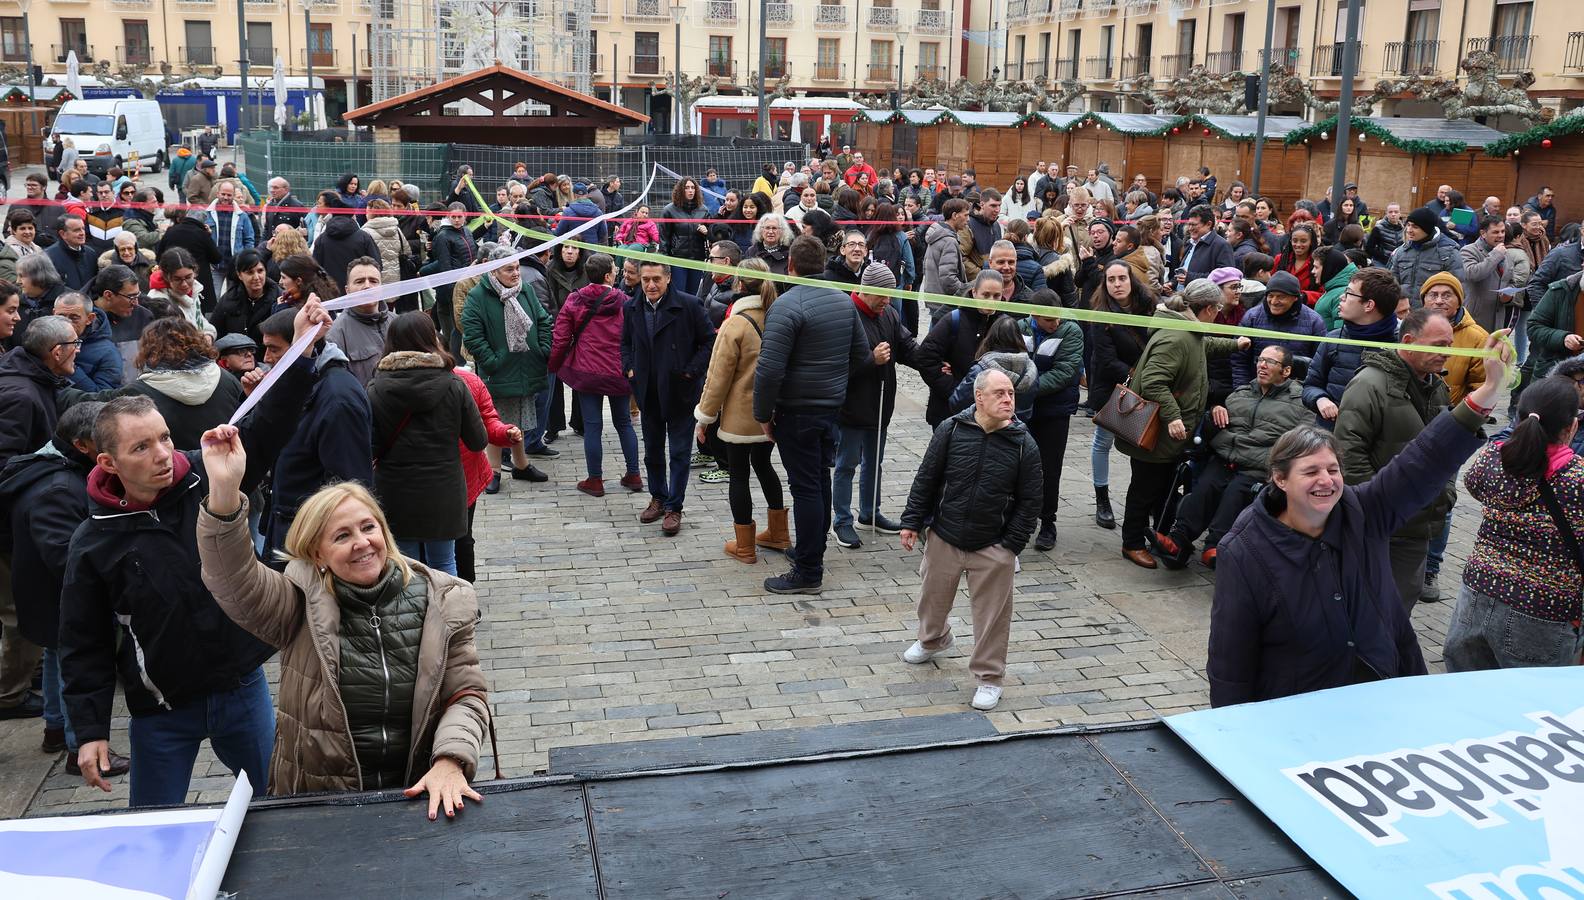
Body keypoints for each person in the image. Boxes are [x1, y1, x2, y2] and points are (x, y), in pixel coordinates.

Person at [61, 301, 327, 805]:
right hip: (161, 710)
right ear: (107, 462)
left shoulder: (202, 475)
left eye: (163, 438)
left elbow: (269, 427)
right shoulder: (93, 542)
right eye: (141, 448)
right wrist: (91, 729)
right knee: (153, 829)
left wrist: (301, 347)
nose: (163, 455)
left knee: (283, 804)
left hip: (240, 686)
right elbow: (84, 641)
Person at [1207, 333, 1512, 706]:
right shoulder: (1244, 551)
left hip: (1386, 695)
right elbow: (1230, 656)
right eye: (1310, 471)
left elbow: (1422, 461)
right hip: (1299, 714)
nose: (1326, 480)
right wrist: (1230, 732)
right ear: (1280, 478)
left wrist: (1491, 386)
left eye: (1333, 469)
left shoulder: (1362, 511)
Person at [195, 444, 491, 812]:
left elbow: (465, 697)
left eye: (369, 527)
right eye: (342, 536)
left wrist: (450, 761)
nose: (362, 543)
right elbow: (233, 577)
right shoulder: (296, 603)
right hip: (321, 801)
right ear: (317, 553)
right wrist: (224, 494)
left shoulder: (443, 600)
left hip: (417, 794)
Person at [898, 369, 1042, 712]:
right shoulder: (951, 430)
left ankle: (989, 679)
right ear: (979, 398)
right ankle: (933, 640)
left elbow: (1031, 501)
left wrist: (1010, 546)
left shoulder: (1024, 444)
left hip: (993, 545)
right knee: (931, 599)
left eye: (1011, 393)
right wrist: (912, 523)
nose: (1009, 400)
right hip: (945, 536)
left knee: (992, 618)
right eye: (1000, 394)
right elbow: (927, 478)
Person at [0, 402, 131, 773]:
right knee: (73, 660)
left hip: (47, 595)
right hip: (56, 596)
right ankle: (78, 749)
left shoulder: (61, 470)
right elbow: (65, 557)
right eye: (108, 437)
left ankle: (56, 729)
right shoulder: (57, 488)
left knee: (59, 658)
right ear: (83, 444)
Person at [752, 234, 869, 593]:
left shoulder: (787, 306)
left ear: (790, 265)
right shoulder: (844, 302)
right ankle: (810, 549)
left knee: (805, 488)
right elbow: (861, 354)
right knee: (817, 481)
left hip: (797, 412)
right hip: (829, 408)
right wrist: (834, 382)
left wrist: (762, 413)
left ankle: (808, 571)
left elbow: (769, 370)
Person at [1443, 375, 1584, 670]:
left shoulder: (1492, 458)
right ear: (1571, 426)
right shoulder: (1577, 478)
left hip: (1477, 593)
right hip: (1543, 610)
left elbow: (1473, 484)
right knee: (1531, 707)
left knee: (1464, 698)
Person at [1335, 308, 1464, 610]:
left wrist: (1445, 494)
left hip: (1418, 525)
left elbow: (1443, 451)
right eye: (1439, 346)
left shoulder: (1437, 388)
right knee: (1373, 609)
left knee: (1399, 605)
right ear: (1408, 341)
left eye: (1450, 344)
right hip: (1383, 526)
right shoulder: (1369, 385)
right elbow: (1348, 455)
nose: (1448, 353)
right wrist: (1381, 506)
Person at [1118, 280, 1245, 569]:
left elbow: (1203, 345)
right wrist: (1174, 416)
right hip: (1157, 430)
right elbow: (1153, 382)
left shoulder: (1189, 330)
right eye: (1219, 310)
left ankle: (1155, 535)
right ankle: (1132, 543)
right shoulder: (1177, 337)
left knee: (1161, 487)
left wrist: (1235, 344)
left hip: (1167, 434)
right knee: (1145, 488)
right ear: (1210, 309)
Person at [1156, 344, 1308, 569]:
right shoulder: (1242, 393)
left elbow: (1304, 441)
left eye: (1270, 362)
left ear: (1285, 371)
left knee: (1236, 492)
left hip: (1260, 464)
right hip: (1226, 457)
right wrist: (1214, 412)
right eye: (1260, 360)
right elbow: (1214, 427)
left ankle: (1216, 545)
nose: (1262, 365)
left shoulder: (1300, 402)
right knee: (1205, 487)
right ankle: (1179, 541)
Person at [368, 311, 487, 575]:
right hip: (444, 489)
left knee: (406, 565)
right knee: (444, 562)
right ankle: (451, 614)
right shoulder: (454, 385)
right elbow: (478, 440)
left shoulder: (376, 389)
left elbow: (372, 447)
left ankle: (418, 615)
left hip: (396, 491)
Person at [256, 308, 373, 558]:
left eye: (274, 349)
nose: (265, 358)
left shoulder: (337, 399)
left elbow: (350, 484)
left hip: (312, 541)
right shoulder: (304, 385)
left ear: (303, 345)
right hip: (291, 526)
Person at [693, 258, 787, 563]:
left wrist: (704, 418)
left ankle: (745, 545)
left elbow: (717, 377)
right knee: (765, 467)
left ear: (738, 283)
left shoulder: (736, 322)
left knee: (739, 474)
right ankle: (778, 533)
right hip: (770, 413)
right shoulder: (778, 316)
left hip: (739, 416)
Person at [830, 263, 921, 550]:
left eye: (890, 294)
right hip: (851, 406)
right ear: (866, 290)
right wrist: (871, 359)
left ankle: (870, 513)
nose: (887, 300)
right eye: (882, 295)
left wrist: (934, 362)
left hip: (881, 403)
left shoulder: (889, 314)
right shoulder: (845, 314)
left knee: (875, 462)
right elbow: (836, 365)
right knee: (846, 464)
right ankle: (842, 520)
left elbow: (908, 348)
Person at [623, 259, 713, 536]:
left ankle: (675, 506)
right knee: (652, 452)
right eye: (646, 279)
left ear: (668, 278)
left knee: (679, 452)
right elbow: (625, 342)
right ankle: (658, 497)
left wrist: (690, 372)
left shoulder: (688, 305)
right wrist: (629, 368)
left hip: (679, 390)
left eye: (656, 279)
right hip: (647, 390)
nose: (650, 285)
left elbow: (709, 341)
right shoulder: (632, 306)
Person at [550, 253, 642, 497]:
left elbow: (560, 338)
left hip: (586, 370)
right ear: (609, 275)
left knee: (593, 427)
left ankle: (595, 479)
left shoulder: (575, 299)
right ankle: (634, 474)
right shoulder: (624, 300)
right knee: (624, 423)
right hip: (618, 371)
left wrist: (555, 365)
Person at [461, 246, 552, 489]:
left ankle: (520, 465)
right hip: (499, 370)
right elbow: (471, 334)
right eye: (508, 269)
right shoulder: (478, 296)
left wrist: (543, 348)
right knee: (496, 419)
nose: (515, 273)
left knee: (519, 417)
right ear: (494, 270)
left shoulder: (526, 290)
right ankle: (493, 470)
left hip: (526, 365)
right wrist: (492, 360)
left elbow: (543, 320)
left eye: (516, 267)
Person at [1014, 289, 1083, 551]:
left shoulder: (1071, 331)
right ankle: (1019, 518)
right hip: (1022, 410)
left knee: (1049, 468)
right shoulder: (1020, 327)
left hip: (1054, 410)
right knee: (1018, 466)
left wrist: (1025, 387)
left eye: (1057, 318)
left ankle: (1048, 522)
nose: (1055, 324)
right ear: (1034, 315)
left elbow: (1065, 371)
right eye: (1048, 320)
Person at [1088, 261, 1155, 529]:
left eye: (1121, 278)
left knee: (1144, 443)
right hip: (1114, 387)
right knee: (1102, 442)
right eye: (1111, 279)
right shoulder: (1101, 314)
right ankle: (1102, 499)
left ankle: (1145, 499)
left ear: (1131, 280)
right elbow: (1105, 360)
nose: (1117, 284)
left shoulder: (1149, 306)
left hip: (1149, 383)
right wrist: (1138, 376)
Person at [1303, 266, 1400, 427]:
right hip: (1331, 433)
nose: (1342, 297)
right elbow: (1311, 385)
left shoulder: (1400, 346)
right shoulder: (1334, 339)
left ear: (1369, 305)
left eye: (1348, 293)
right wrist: (1320, 399)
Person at [1231, 270, 1326, 385]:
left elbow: (1319, 364)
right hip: (1256, 390)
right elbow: (1239, 360)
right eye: (1270, 296)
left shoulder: (1314, 321)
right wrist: (1242, 390)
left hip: (1296, 393)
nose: (1274, 301)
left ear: (1295, 297)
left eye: (1281, 297)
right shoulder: (1252, 317)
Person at [323, 257, 391, 388]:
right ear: (347, 290)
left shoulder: (397, 322)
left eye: (373, 281)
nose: (367, 286)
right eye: (359, 281)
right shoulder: (336, 334)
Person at [1390, 206, 1466, 301]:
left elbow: (1457, 289)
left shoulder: (1448, 253)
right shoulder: (1402, 251)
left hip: (1433, 313)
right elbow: (1392, 284)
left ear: (1427, 229)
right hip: (1405, 311)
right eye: (1408, 225)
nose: (1409, 230)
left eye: (1415, 227)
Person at [51, 291, 121, 391]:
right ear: (53, 314)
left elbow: (103, 397)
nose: (66, 323)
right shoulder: (43, 338)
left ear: (90, 318)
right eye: (60, 317)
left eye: (74, 318)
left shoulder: (108, 353)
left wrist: (72, 370)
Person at [211, 249, 281, 346]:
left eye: (260, 271)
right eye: (250, 272)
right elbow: (215, 333)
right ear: (239, 275)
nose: (256, 277)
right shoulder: (228, 300)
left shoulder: (279, 299)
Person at [312, 196, 382, 293]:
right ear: (352, 216)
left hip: (331, 294)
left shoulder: (321, 240)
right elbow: (377, 265)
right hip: (360, 292)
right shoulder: (364, 237)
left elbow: (315, 269)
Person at [156, 208, 223, 308]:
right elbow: (216, 258)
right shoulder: (202, 234)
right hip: (198, 281)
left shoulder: (171, 231)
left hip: (173, 280)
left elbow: (159, 257)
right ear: (203, 222)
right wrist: (209, 236)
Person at [921, 198, 970, 324]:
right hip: (944, 302)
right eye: (966, 215)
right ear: (954, 215)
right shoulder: (949, 240)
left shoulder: (939, 235)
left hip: (935, 298)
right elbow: (948, 278)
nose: (968, 219)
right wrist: (966, 293)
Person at [658, 178, 709, 298]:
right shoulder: (669, 210)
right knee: (678, 294)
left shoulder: (704, 210)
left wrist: (707, 231)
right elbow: (663, 238)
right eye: (687, 188)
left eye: (693, 188)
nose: (690, 191)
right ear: (680, 190)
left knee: (693, 295)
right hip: (677, 259)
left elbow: (710, 234)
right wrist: (665, 262)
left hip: (697, 258)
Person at [1458, 215, 1510, 332]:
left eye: (1502, 231)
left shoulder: (1505, 251)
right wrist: (1496, 255)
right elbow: (1472, 274)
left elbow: (1508, 279)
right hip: (1475, 318)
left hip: (1498, 319)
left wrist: (1509, 296)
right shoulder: (1469, 250)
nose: (1501, 235)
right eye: (1495, 232)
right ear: (1483, 233)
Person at [149, 247, 216, 337]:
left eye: (188, 277)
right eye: (177, 279)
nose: (184, 284)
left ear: (195, 272)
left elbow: (199, 320)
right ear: (166, 277)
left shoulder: (194, 290)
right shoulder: (158, 300)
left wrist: (208, 335)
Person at [45, 214, 99, 291]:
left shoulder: (91, 253)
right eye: (76, 230)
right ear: (63, 234)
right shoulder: (48, 257)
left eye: (83, 229)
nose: (82, 233)